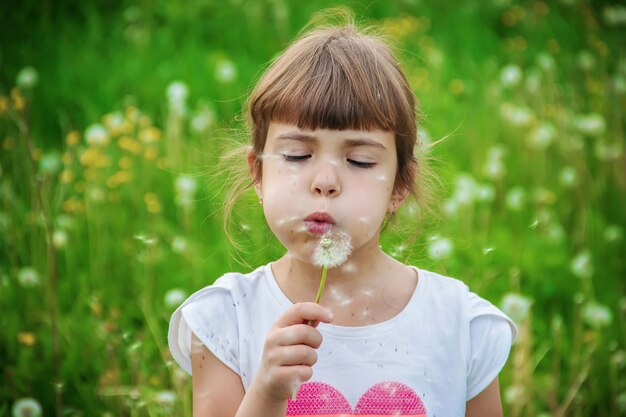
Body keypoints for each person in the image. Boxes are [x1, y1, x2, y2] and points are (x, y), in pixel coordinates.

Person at [168, 21, 517, 417]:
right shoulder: (224, 323)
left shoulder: (460, 327)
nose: (325, 182)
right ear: (257, 173)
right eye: (297, 155)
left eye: (359, 160)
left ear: (400, 185)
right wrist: (265, 394)